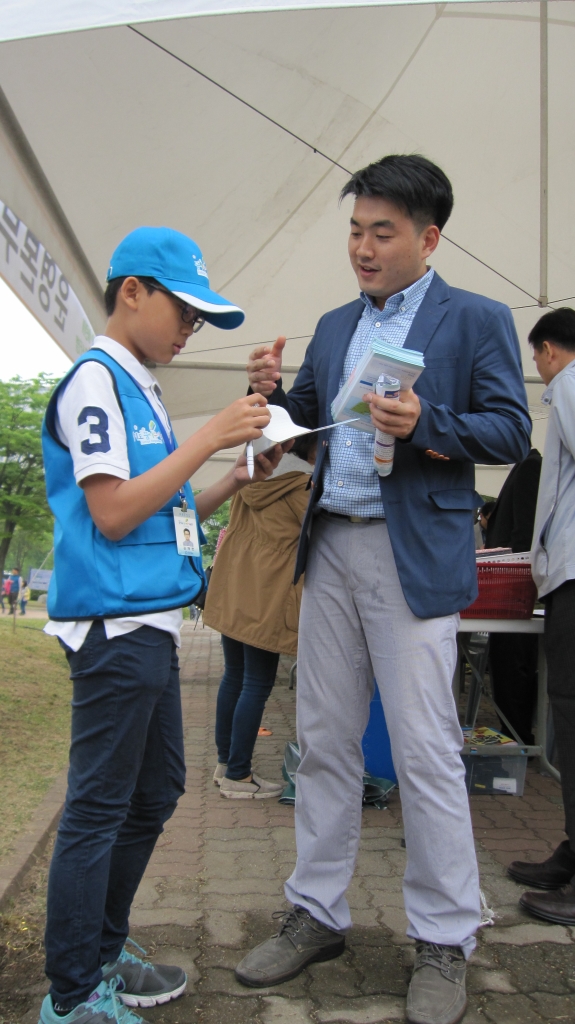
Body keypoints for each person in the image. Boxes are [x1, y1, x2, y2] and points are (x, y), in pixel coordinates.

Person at [236, 154, 531, 1024]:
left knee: (425, 752)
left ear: (427, 237)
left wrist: (427, 425)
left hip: (412, 558)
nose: (363, 248)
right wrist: (267, 401)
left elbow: (511, 430)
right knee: (323, 742)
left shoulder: (473, 319)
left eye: (382, 232)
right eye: (356, 231)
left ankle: (444, 937)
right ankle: (317, 912)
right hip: (330, 549)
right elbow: (301, 429)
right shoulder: (332, 328)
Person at [38, 226, 281, 1024]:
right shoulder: (95, 381)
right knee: (100, 808)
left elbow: (167, 510)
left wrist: (235, 471)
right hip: (113, 628)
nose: (190, 330)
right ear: (132, 291)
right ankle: (73, 995)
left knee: (157, 790)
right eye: (184, 310)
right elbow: (110, 513)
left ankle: (102, 953)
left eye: (201, 320)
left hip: (148, 622)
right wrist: (210, 433)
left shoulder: (137, 384)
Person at [507, 307, 575, 922]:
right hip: (567, 576)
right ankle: (573, 851)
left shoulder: (573, 385)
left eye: (536, 357)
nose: (538, 369)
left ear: (549, 350)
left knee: (574, 719)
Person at [204, 434, 316, 799]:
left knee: (234, 676)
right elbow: (321, 535)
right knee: (256, 683)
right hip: (267, 592)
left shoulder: (250, 474)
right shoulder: (303, 485)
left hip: (234, 584)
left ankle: (226, 764)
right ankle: (238, 774)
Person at [486, 449, 542, 743]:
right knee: (506, 659)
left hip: (513, 585)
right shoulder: (524, 466)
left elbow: (525, 533)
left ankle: (517, 733)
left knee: (513, 661)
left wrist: (516, 574)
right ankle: (514, 731)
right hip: (507, 584)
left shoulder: (530, 466)